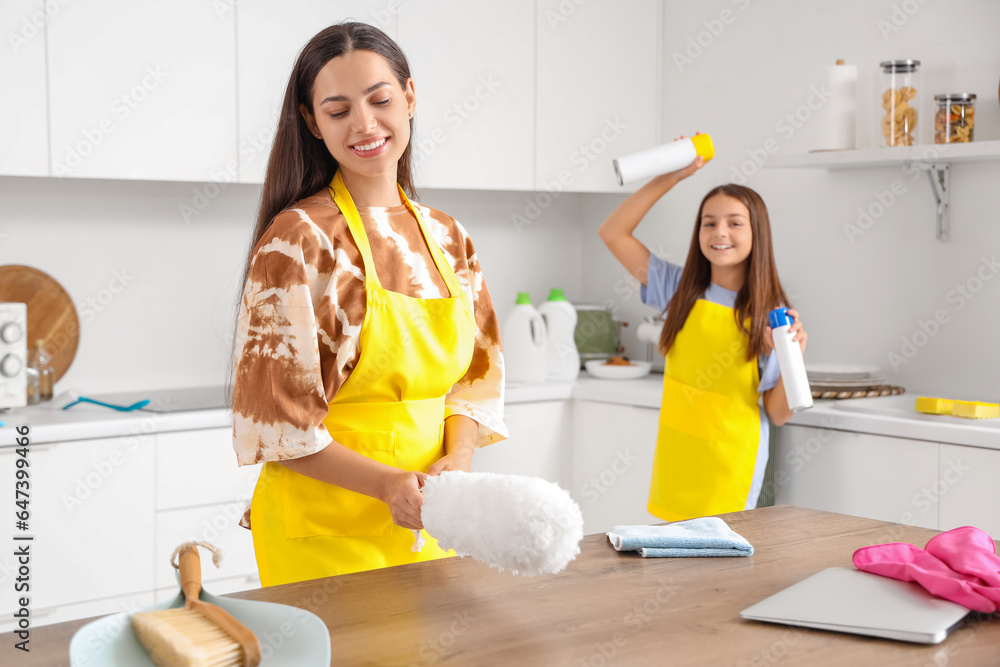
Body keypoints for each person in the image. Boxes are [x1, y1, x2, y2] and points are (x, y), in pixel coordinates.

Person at [229, 22, 507, 587]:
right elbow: (277, 426)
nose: (365, 124)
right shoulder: (298, 239)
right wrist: (387, 485)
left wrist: (458, 461)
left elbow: (475, 383)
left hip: (430, 518)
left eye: (380, 100)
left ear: (409, 97)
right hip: (322, 532)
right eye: (338, 110)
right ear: (312, 122)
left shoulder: (450, 237)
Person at [598, 151, 807, 521]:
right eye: (708, 223)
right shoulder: (678, 289)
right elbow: (612, 232)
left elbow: (777, 412)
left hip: (730, 463)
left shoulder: (769, 315)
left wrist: (796, 359)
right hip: (677, 456)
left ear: (758, 233)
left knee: (720, 569)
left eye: (735, 223)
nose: (720, 233)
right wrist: (673, 176)